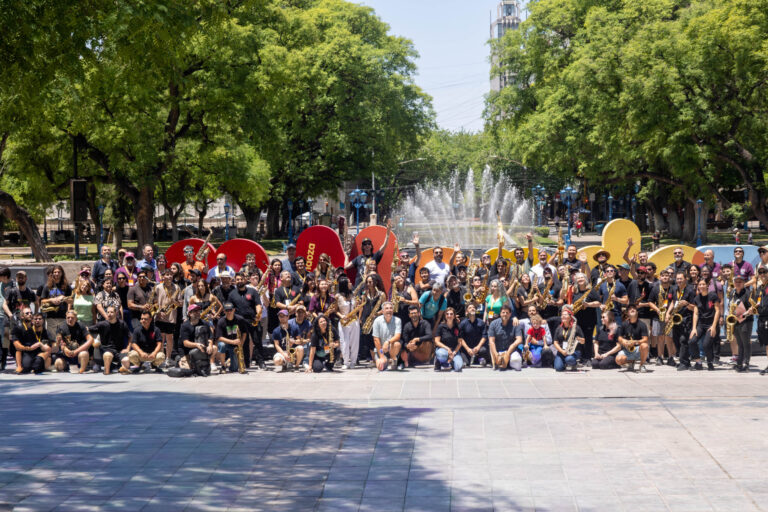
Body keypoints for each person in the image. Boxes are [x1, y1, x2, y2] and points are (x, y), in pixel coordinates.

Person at [228, 272, 264, 369]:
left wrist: (258, 314)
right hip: (239, 322)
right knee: (245, 343)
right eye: (237, 279)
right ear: (235, 281)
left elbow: (258, 304)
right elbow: (230, 309)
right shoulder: (232, 294)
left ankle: (261, 362)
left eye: (241, 279)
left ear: (245, 280)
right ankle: (246, 363)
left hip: (253, 320)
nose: (239, 281)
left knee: (257, 341)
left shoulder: (252, 291)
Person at [344, 219, 392, 286]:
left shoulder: (375, 257)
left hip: (370, 286)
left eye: (369, 244)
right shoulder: (358, 258)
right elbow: (346, 267)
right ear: (362, 247)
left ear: (371, 246)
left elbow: (384, 246)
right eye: (365, 244)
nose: (367, 245)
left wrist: (388, 233)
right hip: (359, 286)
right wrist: (346, 255)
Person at [689, 278, 721, 371]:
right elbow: (695, 313)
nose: (701, 286)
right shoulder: (697, 298)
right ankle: (698, 362)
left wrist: (714, 326)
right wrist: (694, 328)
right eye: (700, 284)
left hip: (711, 324)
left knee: (706, 344)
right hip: (701, 325)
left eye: (703, 284)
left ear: (707, 285)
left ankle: (710, 363)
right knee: (692, 341)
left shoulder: (713, 296)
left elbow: (717, 311)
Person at [90, 305, 131, 375]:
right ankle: (107, 371)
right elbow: (88, 330)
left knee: (126, 360)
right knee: (107, 355)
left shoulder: (122, 323)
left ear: (116, 313)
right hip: (107, 350)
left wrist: (127, 348)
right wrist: (93, 340)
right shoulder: (102, 324)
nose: (109, 314)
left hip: (119, 351)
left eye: (111, 312)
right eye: (108, 312)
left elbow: (130, 336)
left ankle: (119, 367)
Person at [648, 269, 675, 366]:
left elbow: (673, 301)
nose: (665, 277)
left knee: (669, 337)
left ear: (669, 277)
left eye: (667, 275)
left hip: (669, 316)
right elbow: (650, 301)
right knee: (659, 337)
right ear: (660, 277)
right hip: (657, 316)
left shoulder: (673, 288)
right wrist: (658, 310)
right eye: (663, 276)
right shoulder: (655, 288)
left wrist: (668, 313)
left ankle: (671, 357)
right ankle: (660, 357)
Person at [179, 304, 216, 373]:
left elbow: (210, 336)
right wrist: (196, 345)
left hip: (201, 348)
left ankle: (210, 363)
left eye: (199, 311)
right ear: (189, 313)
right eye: (195, 311)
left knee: (214, 348)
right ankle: (181, 361)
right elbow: (185, 343)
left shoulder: (205, 323)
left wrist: (210, 345)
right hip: (187, 351)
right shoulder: (185, 326)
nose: (198, 313)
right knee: (188, 371)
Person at [11, 309, 51, 374]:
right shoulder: (18, 328)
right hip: (24, 352)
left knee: (38, 364)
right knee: (26, 368)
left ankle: (42, 363)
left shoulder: (34, 326)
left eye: (30, 313)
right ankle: (19, 365)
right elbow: (17, 346)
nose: (30, 314)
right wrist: (30, 348)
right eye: (27, 313)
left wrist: (41, 345)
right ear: (22, 317)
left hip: (35, 351)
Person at [615, 304, 650, 372]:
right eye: (630, 309)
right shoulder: (624, 324)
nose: (632, 309)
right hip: (627, 350)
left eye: (634, 308)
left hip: (638, 349)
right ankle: (630, 362)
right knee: (618, 360)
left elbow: (645, 339)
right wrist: (623, 341)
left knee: (645, 346)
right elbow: (619, 337)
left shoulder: (642, 324)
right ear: (627, 313)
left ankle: (642, 365)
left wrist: (636, 342)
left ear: (637, 312)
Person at [730, 274, 754, 372]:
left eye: (740, 282)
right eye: (736, 282)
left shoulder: (748, 293)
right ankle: (739, 363)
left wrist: (744, 315)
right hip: (736, 321)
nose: (738, 283)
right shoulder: (733, 293)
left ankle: (746, 363)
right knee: (740, 343)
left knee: (746, 343)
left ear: (744, 283)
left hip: (746, 321)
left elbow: (752, 308)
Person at [488, 303, 523, 371]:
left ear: (510, 314)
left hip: (511, 350)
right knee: (499, 362)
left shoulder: (515, 323)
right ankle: (501, 361)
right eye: (503, 312)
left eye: (507, 312)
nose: (505, 314)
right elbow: (491, 341)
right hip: (497, 350)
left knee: (517, 365)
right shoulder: (493, 324)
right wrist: (496, 355)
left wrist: (508, 352)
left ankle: (507, 362)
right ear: (500, 314)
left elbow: (519, 339)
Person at [215, 302, 248, 373]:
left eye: (230, 310)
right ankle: (223, 366)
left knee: (234, 369)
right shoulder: (221, 321)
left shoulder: (240, 319)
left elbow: (244, 333)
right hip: (226, 343)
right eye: (227, 310)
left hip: (236, 346)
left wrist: (241, 344)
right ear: (224, 311)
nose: (229, 312)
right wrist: (232, 342)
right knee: (221, 345)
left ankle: (229, 361)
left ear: (234, 310)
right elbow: (219, 337)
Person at [335, 276, 359, 369]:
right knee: (344, 342)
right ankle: (345, 362)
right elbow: (335, 310)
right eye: (349, 282)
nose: (351, 284)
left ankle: (353, 361)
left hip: (354, 320)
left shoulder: (353, 295)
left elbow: (356, 308)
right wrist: (342, 316)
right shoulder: (338, 296)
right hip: (344, 321)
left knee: (355, 342)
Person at [40, 264, 71, 335]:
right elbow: (42, 301)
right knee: (52, 338)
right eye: (55, 272)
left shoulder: (67, 286)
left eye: (59, 272)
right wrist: (51, 300)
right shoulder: (47, 286)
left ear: (62, 273)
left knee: (63, 337)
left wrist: (63, 298)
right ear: (52, 273)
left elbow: (70, 301)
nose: (57, 274)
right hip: (51, 316)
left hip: (63, 316)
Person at [400, 305, 433, 369]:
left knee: (428, 343)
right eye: (412, 313)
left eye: (415, 313)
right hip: (412, 349)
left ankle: (425, 360)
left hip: (422, 347)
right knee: (404, 347)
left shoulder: (425, 323)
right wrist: (408, 345)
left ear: (419, 313)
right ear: (409, 315)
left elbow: (430, 335)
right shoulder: (407, 326)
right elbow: (404, 340)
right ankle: (411, 360)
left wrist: (417, 339)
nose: (413, 315)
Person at [371, 301, 402, 371]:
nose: (389, 310)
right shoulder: (377, 321)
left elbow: (398, 336)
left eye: (391, 308)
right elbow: (376, 340)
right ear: (382, 311)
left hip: (391, 348)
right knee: (380, 365)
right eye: (387, 308)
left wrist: (387, 342)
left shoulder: (398, 320)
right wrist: (381, 356)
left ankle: (393, 360)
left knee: (397, 344)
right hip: (381, 350)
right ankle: (386, 361)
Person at [433, 307, 463, 372]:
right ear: (445, 316)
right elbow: (436, 342)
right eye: (447, 314)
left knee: (458, 367)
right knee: (442, 355)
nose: (449, 316)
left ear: (454, 316)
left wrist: (454, 352)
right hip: (443, 350)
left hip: (454, 350)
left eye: (451, 314)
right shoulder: (441, 326)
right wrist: (447, 349)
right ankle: (439, 361)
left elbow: (460, 343)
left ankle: (449, 362)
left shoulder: (458, 327)